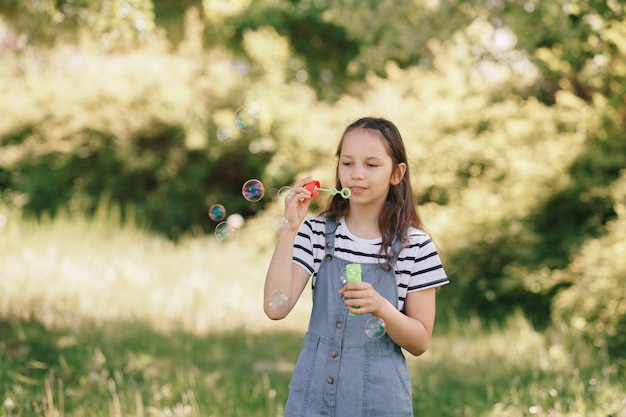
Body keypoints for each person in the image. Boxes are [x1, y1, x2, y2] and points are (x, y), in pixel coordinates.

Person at [264, 116, 449, 416]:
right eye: (347, 163)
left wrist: (381, 306)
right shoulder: (315, 232)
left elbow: (420, 341)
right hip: (310, 400)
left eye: (371, 165)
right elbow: (275, 308)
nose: (356, 174)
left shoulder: (416, 246)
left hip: (379, 404)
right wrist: (289, 228)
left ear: (397, 173)